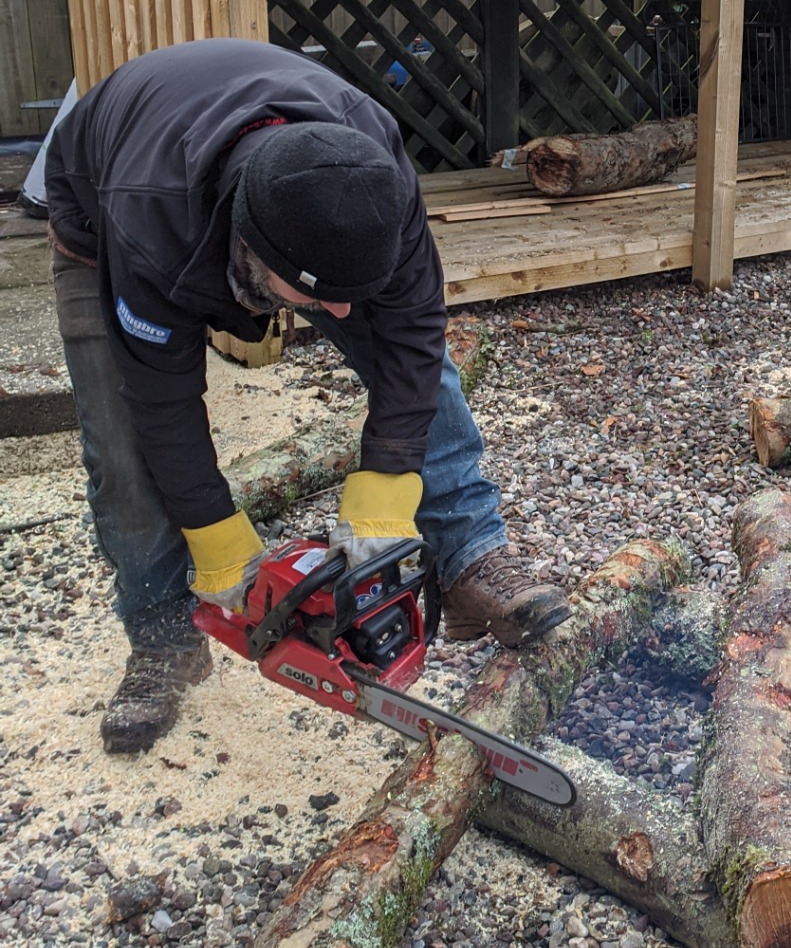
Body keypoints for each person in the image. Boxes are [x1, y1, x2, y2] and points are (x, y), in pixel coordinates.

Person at [46, 38, 569, 755]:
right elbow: (159, 399)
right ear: (251, 251)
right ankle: (162, 638)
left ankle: (472, 556)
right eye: (323, 302)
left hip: (269, 186)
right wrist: (219, 545)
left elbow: (413, 333)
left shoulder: (372, 173)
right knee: (123, 452)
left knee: (414, 360)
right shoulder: (149, 223)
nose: (342, 317)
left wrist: (386, 490)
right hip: (100, 219)